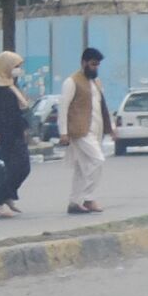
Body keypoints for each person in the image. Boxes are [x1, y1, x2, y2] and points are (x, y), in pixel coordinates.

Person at [58, 47, 114, 214]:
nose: (95, 67)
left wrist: (111, 128)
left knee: (81, 168)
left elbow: (102, 107)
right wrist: (63, 132)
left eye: (97, 65)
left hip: (96, 131)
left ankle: (74, 203)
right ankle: (89, 197)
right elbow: (63, 108)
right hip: (80, 131)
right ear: (83, 63)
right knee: (98, 160)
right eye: (92, 64)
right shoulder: (71, 82)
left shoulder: (96, 82)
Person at [0, 51, 32, 218]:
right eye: (15, 66)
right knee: (2, 169)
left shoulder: (10, 84)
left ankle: (8, 195)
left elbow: (17, 111)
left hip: (14, 131)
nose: (18, 70)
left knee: (23, 166)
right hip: (1, 133)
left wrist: (24, 128)